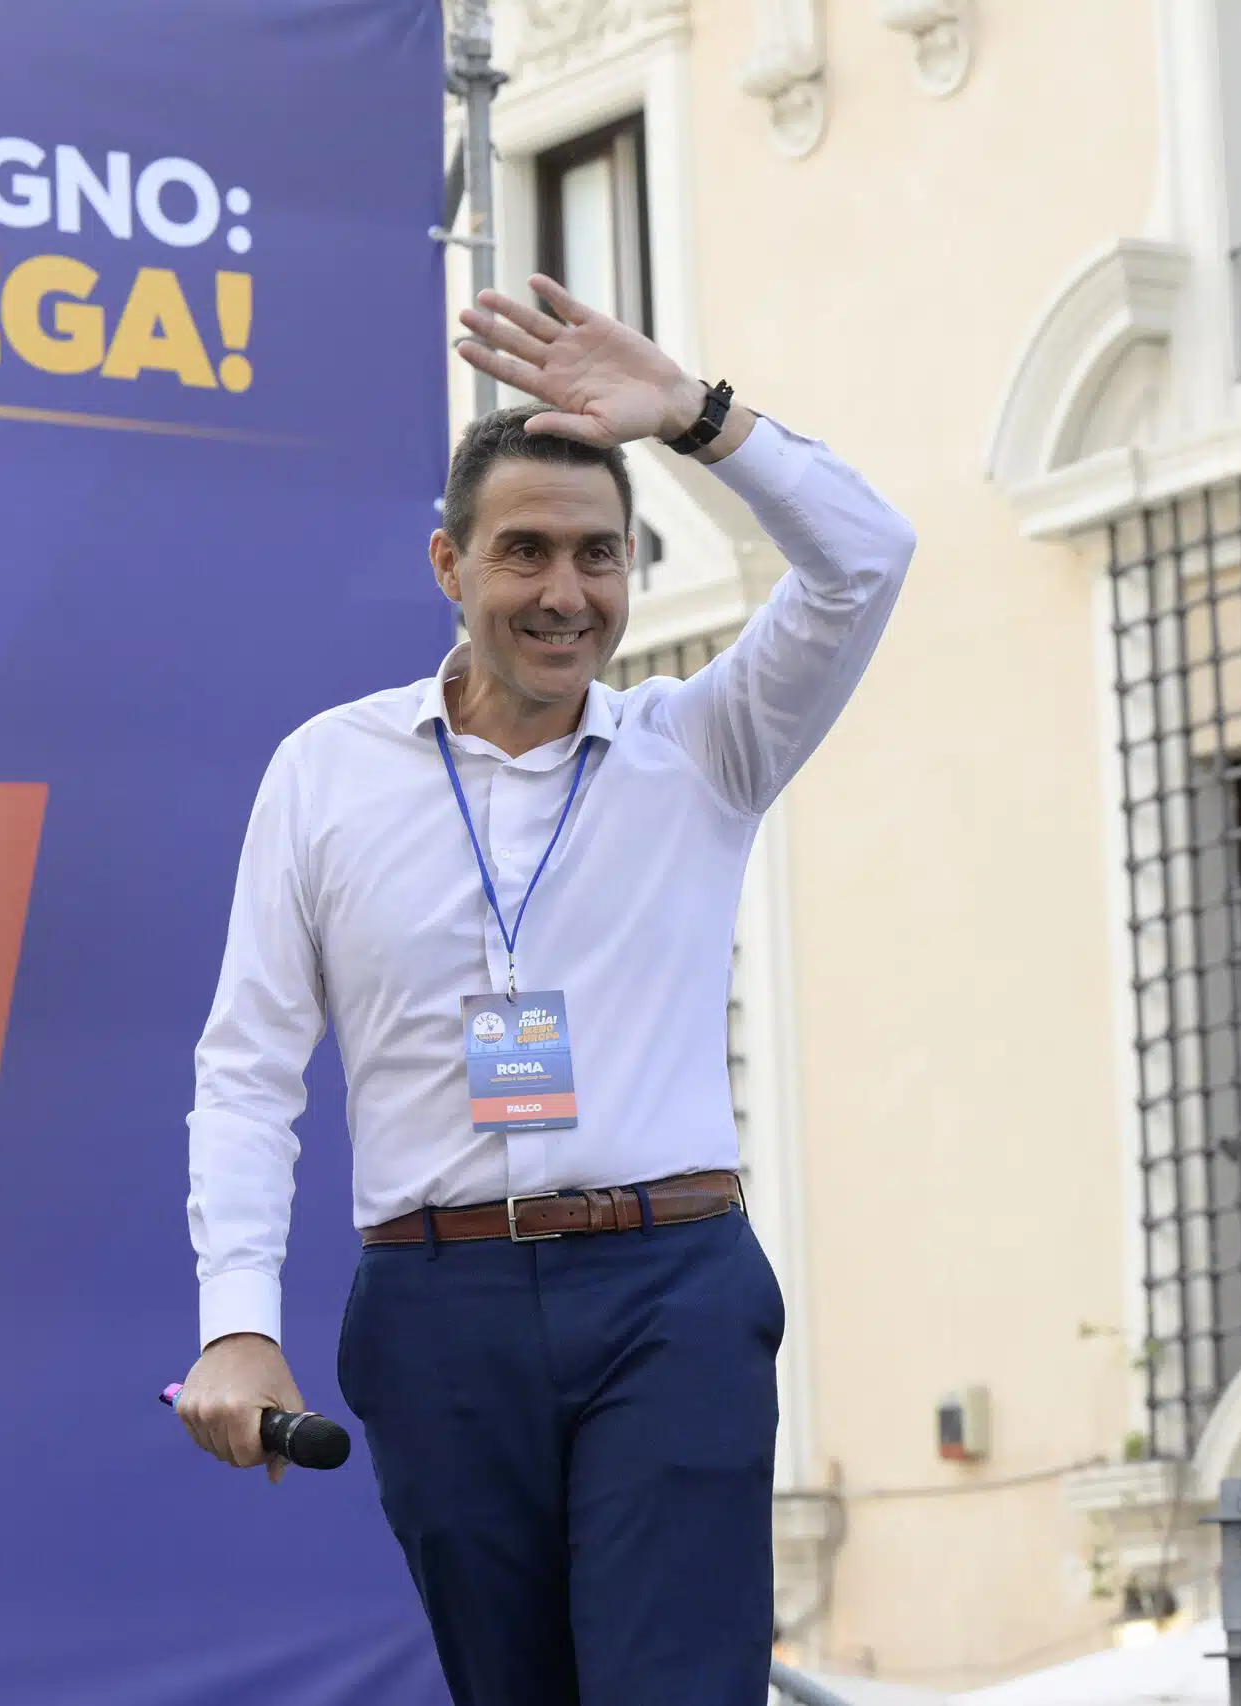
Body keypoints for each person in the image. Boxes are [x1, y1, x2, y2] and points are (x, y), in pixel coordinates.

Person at [173, 274, 915, 1704]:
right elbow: (249, 1069)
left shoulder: (704, 748)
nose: (565, 593)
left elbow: (867, 558)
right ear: (448, 567)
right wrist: (237, 1318)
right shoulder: (325, 771)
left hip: (668, 1289)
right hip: (434, 1302)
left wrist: (694, 414)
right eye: (524, 552)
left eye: (597, 555)